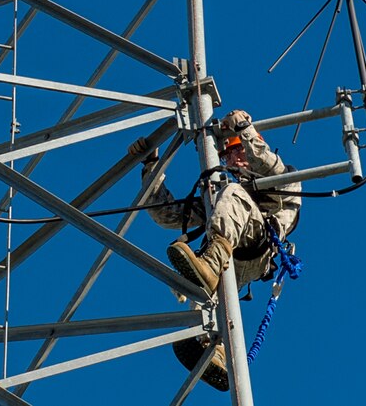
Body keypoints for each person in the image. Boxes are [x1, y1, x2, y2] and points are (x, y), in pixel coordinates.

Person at [128, 109, 301, 391]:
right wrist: (151, 166)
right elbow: (166, 214)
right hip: (232, 255)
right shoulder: (222, 198)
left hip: (259, 245)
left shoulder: (286, 179)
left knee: (231, 196)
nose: (232, 159)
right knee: (209, 294)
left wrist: (244, 128)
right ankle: (214, 347)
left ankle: (210, 264)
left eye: (235, 152)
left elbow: (266, 163)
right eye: (228, 155)